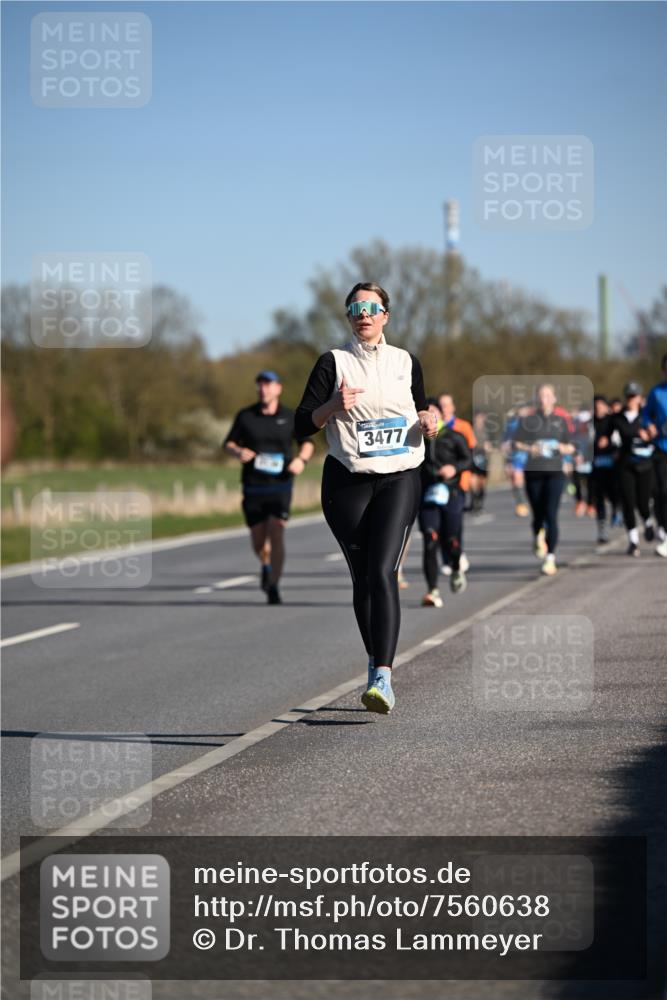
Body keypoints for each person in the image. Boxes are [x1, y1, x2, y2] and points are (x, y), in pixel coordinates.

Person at [294, 282, 437, 715]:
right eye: (356, 307)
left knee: (382, 571)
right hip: (347, 481)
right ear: (349, 316)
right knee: (362, 578)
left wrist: (434, 421)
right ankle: (375, 662)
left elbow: (424, 412)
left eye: (372, 307)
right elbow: (302, 424)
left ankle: (383, 678)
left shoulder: (405, 362)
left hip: (400, 476)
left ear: (386, 316)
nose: (364, 314)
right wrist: (332, 406)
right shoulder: (332, 362)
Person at [224, 371, 314, 604]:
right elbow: (229, 443)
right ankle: (265, 564)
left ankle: (274, 583)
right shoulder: (246, 416)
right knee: (258, 541)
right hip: (254, 486)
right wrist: (237, 451)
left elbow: (307, 443)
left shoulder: (290, 416)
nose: (264, 389)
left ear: (278, 389)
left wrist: (301, 461)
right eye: (260, 385)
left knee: (277, 531)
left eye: (268, 385)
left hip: (281, 484)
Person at [512, 383, 575, 575]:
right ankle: (537, 534)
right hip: (533, 472)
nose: (544, 399)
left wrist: (559, 448)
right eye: (541, 396)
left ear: (554, 399)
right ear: (537, 399)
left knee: (551, 514)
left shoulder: (561, 421)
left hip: (555, 472)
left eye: (548, 395)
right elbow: (515, 443)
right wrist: (531, 448)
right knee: (538, 514)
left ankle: (550, 557)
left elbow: (571, 446)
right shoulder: (528, 421)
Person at [418, 398, 471, 607]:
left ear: (440, 415)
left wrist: (454, 469)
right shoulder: (415, 439)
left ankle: (456, 567)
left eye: (433, 413)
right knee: (430, 540)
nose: (429, 418)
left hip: (452, 493)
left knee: (451, 540)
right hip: (427, 496)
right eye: (425, 413)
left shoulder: (454, 436)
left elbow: (469, 459)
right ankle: (432, 591)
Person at [612, 382, 655, 556]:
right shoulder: (617, 418)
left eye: (634, 396)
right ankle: (633, 541)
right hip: (625, 465)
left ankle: (648, 521)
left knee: (642, 503)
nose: (631, 400)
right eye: (628, 396)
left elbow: (658, 435)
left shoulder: (647, 417)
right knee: (628, 503)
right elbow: (605, 436)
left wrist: (650, 435)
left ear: (640, 398)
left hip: (645, 465)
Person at [437, 393, 473, 571]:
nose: (444, 409)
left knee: (455, 523)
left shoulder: (463, 427)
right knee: (440, 523)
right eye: (440, 405)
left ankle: (458, 551)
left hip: (460, 483)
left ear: (452, 407)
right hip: (436, 484)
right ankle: (445, 559)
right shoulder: (431, 428)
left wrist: (463, 473)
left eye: (446, 405)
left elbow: (470, 453)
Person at [642, 352, 667, 557]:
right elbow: (645, 414)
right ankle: (664, 531)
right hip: (661, 448)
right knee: (659, 492)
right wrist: (648, 425)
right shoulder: (657, 392)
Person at [591, 394, 618, 545]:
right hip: (596, 464)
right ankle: (602, 530)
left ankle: (616, 509)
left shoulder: (613, 421)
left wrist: (611, 445)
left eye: (601, 405)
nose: (598, 408)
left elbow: (621, 438)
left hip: (612, 464)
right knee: (599, 497)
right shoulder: (589, 423)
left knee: (614, 493)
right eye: (596, 406)